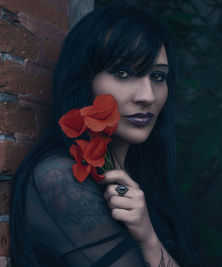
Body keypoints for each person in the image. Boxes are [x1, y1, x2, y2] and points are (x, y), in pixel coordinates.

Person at [10, 4, 204, 267]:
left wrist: (148, 236)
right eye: (123, 73)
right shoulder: (59, 177)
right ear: (84, 78)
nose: (147, 95)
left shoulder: (145, 175)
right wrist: (148, 241)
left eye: (158, 76)